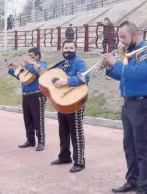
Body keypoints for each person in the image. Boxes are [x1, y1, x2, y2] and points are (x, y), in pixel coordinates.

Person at [104, 21, 147, 194]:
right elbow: (126, 77)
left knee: (142, 147)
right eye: (119, 37)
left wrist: (116, 63)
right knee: (129, 145)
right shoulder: (129, 52)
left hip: (143, 103)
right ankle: (132, 181)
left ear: (135, 35)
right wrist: (110, 67)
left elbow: (137, 74)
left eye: (123, 37)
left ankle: (144, 187)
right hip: (129, 103)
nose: (121, 41)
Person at [49, 39, 90, 173]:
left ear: (75, 49)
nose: (68, 50)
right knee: (63, 131)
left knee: (76, 132)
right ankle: (64, 156)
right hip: (62, 101)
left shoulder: (80, 63)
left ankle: (79, 161)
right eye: (66, 47)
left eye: (71, 48)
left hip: (76, 102)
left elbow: (85, 77)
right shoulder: (60, 64)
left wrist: (67, 81)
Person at [6, 47, 48, 151]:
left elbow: (38, 72)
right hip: (25, 94)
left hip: (37, 95)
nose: (29, 58)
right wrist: (11, 69)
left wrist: (27, 64)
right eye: (28, 56)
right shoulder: (27, 65)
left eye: (31, 56)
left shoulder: (42, 64)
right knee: (27, 119)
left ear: (37, 56)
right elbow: (20, 76)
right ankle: (30, 140)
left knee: (38, 119)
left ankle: (41, 141)